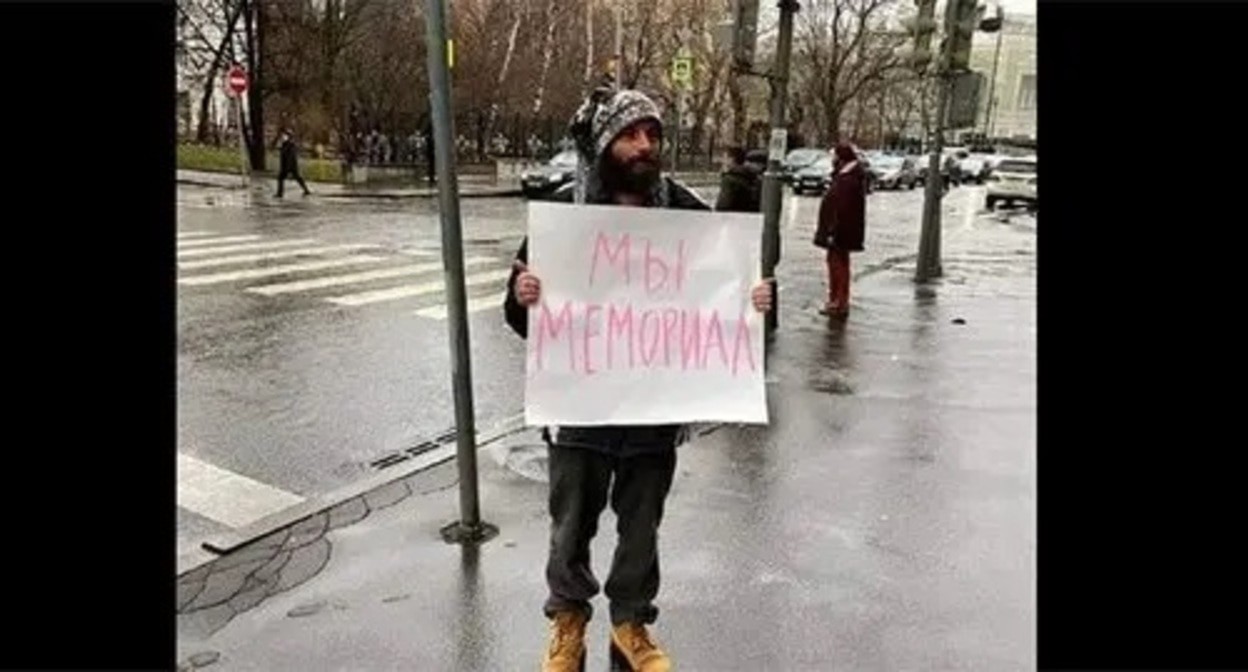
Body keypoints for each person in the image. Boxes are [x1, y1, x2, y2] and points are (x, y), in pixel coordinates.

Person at [503, 89, 773, 672]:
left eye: (652, 134)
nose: (645, 145)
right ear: (605, 144)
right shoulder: (567, 214)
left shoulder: (686, 214)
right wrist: (523, 296)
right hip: (580, 410)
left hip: (653, 411)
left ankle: (630, 626)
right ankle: (568, 625)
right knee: (570, 526)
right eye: (631, 134)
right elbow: (524, 317)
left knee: (642, 528)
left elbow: (727, 300)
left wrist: (754, 300)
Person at [813, 142, 867, 317]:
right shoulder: (846, 176)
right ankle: (837, 300)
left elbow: (842, 209)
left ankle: (838, 302)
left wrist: (832, 231)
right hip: (841, 231)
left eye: (834, 156)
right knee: (838, 264)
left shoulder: (847, 180)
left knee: (837, 267)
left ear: (841, 158)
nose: (832, 159)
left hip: (839, 232)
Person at [714, 146, 763, 213]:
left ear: (731, 159)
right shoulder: (753, 178)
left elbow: (722, 207)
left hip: (734, 220)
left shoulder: (730, 180)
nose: (722, 161)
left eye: (724, 158)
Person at [274, 129, 311, 198]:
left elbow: (290, 157)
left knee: (283, 178)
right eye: (282, 136)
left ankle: (280, 193)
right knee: (296, 178)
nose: (283, 137)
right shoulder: (284, 145)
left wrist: (288, 168)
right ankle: (306, 190)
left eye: (285, 136)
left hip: (290, 166)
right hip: (286, 166)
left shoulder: (290, 146)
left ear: (289, 137)